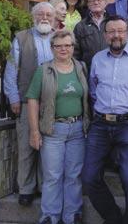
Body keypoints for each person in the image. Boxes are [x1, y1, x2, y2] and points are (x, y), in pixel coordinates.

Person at [82, 15, 128, 224]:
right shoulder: (98, 58)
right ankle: (112, 218)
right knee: (89, 177)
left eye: (120, 31)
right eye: (111, 31)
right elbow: (93, 90)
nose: (116, 35)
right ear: (105, 35)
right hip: (101, 124)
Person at [26, 30, 90, 224]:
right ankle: (50, 216)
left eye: (68, 45)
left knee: (74, 175)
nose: (64, 49)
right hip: (53, 130)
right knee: (53, 175)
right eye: (59, 46)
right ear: (52, 48)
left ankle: (72, 215)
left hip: (78, 129)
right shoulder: (44, 70)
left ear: (73, 47)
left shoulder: (81, 67)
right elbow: (32, 100)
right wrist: (34, 131)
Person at [3, 2, 56, 206]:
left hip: (52, 102)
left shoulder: (60, 37)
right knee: (26, 145)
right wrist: (14, 97)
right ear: (33, 17)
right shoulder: (21, 37)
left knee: (48, 147)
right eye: (40, 14)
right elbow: (11, 69)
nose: (44, 17)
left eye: (48, 15)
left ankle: (44, 187)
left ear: (54, 18)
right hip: (26, 100)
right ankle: (25, 188)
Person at [73, 0, 108, 70]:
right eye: (92, 1)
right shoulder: (80, 26)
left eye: (99, 0)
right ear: (88, 4)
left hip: (111, 71)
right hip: (88, 71)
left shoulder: (113, 22)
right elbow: (75, 53)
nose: (96, 3)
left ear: (105, 3)